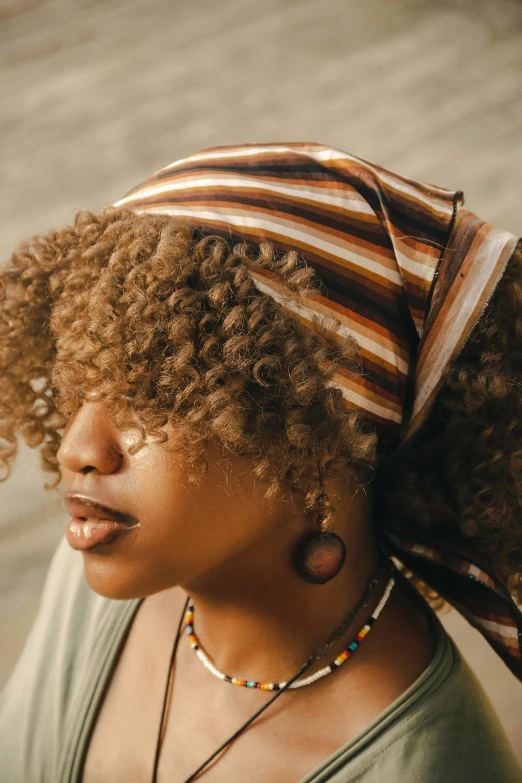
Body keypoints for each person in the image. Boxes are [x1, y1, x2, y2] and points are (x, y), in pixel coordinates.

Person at [0, 142, 521, 783]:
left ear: (317, 438)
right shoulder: (93, 579)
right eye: (83, 382)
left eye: (156, 393)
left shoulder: (429, 767)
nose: (77, 450)